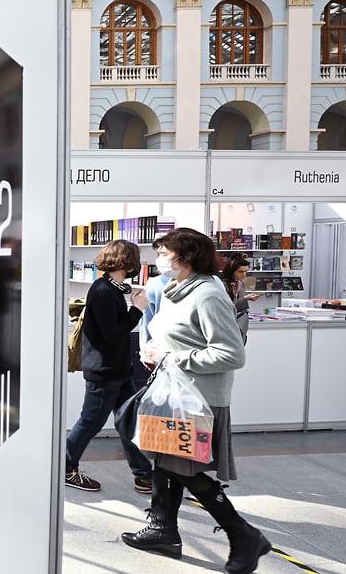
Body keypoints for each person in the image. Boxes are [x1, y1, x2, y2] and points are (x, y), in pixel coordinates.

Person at [123, 229, 270, 574]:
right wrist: (155, 351)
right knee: (165, 461)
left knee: (182, 468)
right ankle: (162, 529)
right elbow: (178, 337)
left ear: (186, 257)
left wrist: (171, 358)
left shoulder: (207, 294)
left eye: (164, 253)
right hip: (174, 393)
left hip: (197, 399)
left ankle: (243, 535)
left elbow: (231, 353)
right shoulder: (178, 289)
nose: (159, 259)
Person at [65, 240, 154, 494]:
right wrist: (137, 310)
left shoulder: (110, 288)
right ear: (128, 262)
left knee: (128, 422)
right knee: (91, 422)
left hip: (117, 370)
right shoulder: (104, 291)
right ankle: (66, 467)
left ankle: (143, 474)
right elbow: (113, 335)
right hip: (105, 372)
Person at [220, 255, 261, 343]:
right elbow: (225, 306)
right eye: (240, 271)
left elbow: (240, 305)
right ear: (231, 271)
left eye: (246, 271)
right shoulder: (222, 284)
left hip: (240, 325)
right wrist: (245, 298)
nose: (244, 275)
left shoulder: (240, 283)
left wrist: (247, 298)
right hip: (226, 325)